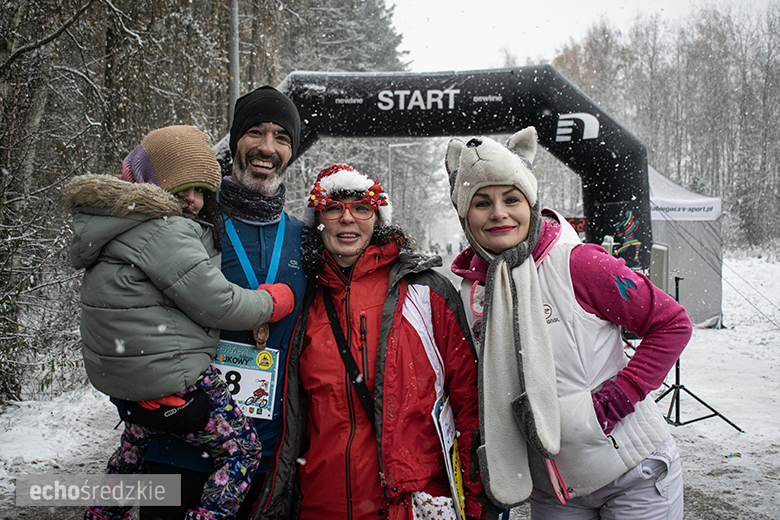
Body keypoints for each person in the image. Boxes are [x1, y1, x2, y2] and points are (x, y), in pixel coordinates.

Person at [445, 128, 693, 519]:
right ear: (464, 214)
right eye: (481, 202)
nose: (498, 213)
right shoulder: (468, 291)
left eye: (512, 198)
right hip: (551, 489)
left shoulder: (578, 263)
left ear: (531, 202)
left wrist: (620, 396)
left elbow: (672, 323)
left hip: (632, 473)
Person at [64, 125, 296, 520]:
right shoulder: (164, 231)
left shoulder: (114, 226)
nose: (193, 201)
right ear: (150, 183)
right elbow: (218, 304)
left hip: (134, 373)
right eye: (181, 188)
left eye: (202, 191)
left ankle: (102, 513)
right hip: (173, 373)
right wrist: (271, 302)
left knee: (132, 452)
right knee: (243, 452)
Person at [253, 164, 484, 520]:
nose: (348, 219)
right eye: (333, 208)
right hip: (320, 504)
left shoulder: (425, 292)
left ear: (378, 219)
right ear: (319, 219)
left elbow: (468, 402)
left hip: (407, 505)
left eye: (361, 208)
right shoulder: (305, 299)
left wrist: (477, 498)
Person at [140, 86, 307, 520]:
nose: (267, 148)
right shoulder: (190, 219)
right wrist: (132, 399)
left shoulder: (305, 237)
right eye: (255, 132)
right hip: (176, 446)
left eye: (282, 138)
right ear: (234, 142)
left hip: (270, 458)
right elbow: (126, 310)